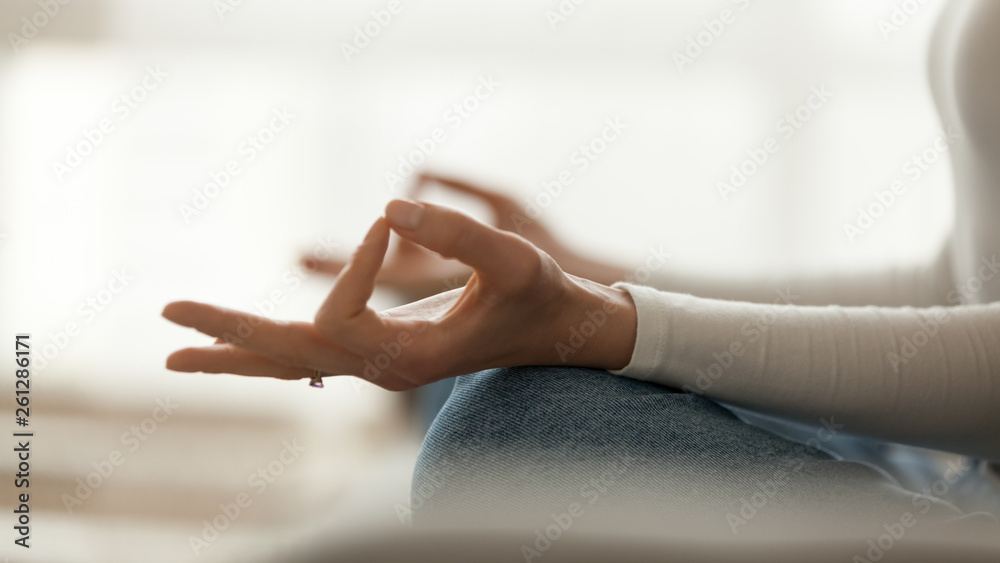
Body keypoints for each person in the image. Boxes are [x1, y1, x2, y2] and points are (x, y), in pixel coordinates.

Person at [163, 0, 1000, 538]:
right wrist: (578, 282)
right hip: (951, 453)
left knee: (509, 422)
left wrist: (600, 325)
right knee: (464, 354)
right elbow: (955, 290)